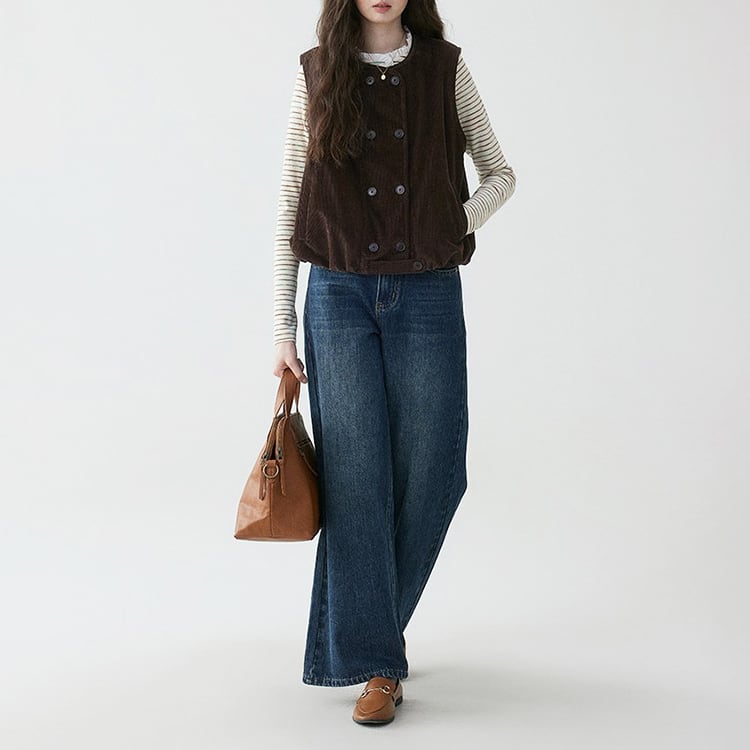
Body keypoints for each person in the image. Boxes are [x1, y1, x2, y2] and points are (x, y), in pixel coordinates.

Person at [270, 0, 516, 725]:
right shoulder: (318, 73)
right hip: (337, 296)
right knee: (355, 481)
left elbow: (499, 173)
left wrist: (450, 222)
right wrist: (282, 325)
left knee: (436, 470)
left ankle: (360, 637)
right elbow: (291, 201)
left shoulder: (445, 69)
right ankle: (379, 665)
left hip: (428, 292)